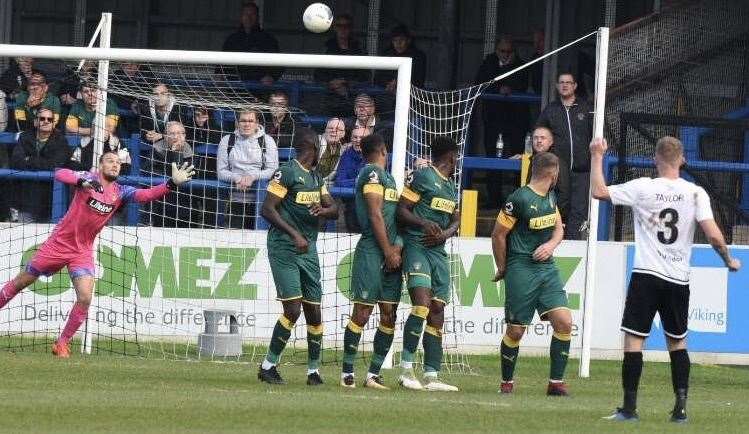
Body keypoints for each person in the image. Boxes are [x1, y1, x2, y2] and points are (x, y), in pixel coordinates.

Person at [589, 136, 742, 423]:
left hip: (646, 275)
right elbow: (713, 235)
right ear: (682, 160)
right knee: (677, 342)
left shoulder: (643, 187)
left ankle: (630, 409)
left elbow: (598, 191)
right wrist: (728, 260)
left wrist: (597, 155)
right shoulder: (695, 193)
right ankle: (680, 409)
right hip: (677, 278)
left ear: (654, 159)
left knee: (634, 340)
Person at [0, 152, 194, 357]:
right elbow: (60, 173)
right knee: (20, 283)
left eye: (118, 163)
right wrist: (81, 181)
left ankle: (62, 343)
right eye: (110, 161)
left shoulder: (121, 192)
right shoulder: (88, 179)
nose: (115, 165)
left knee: (85, 297)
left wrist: (171, 184)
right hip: (57, 245)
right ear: (100, 165)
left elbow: (145, 195)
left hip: (82, 251)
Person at [258, 128, 338, 385]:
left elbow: (334, 209)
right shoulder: (286, 172)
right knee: (292, 309)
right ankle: (268, 366)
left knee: (314, 311)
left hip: (309, 250)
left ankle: (313, 372)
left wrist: (323, 210)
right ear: (313, 148)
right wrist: (294, 235)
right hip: (285, 247)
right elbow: (267, 210)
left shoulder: (316, 178)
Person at [491, 152, 572, 397]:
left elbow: (559, 229)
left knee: (565, 322)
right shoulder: (519, 198)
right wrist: (503, 267)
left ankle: (555, 383)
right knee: (516, 330)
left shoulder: (551, 195)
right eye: (557, 172)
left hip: (546, 268)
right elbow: (498, 234)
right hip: (521, 267)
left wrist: (550, 246)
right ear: (552, 173)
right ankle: (506, 382)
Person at [397, 136, 461, 392]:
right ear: (452, 157)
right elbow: (401, 210)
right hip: (416, 247)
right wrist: (423, 224)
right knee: (422, 305)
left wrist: (444, 234)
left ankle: (432, 375)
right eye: (457, 158)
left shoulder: (450, 186)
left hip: (438, 252)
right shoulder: (422, 176)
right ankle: (405, 369)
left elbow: (456, 220)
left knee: (437, 310)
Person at [340, 134, 402, 389]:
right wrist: (388, 250)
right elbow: (375, 214)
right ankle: (347, 373)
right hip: (372, 250)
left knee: (389, 314)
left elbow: (394, 218)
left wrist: (397, 248)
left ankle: (374, 374)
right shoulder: (371, 174)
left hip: (392, 253)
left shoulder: (390, 179)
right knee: (362, 312)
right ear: (383, 149)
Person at [536, 72, 593, 240]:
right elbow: (540, 134)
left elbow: (595, 134)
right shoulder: (551, 110)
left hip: (583, 169)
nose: (565, 85)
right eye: (561, 82)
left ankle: (572, 244)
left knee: (579, 210)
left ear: (575, 86)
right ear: (556, 86)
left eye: (569, 82)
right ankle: (554, 240)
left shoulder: (586, 108)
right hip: (559, 170)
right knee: (559, 205)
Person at [474, 36, 530, 206]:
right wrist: (499, 88)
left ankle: (519, 199)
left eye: (508, 51)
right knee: (493, 157)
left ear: (514, 51)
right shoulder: (488, 62)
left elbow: (522, 83)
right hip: (493, 119)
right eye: (502, 51)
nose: (505, 55)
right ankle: (493, 199)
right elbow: (480, 82)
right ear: (496, 50)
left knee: (518, 158)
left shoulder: (521, 65)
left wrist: (510, 88)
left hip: (515, 120)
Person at [217, 108, 279, 229]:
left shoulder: (267, 141)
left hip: (262, 201)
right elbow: (221, 172)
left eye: (251, 121)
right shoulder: (227, 140)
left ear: (257, 123)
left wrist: (253, 177)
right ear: (237, 123)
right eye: (243, 121)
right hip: (234, 200)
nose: (247, 124)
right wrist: (238, 178)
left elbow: (273, 170)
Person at [9, 108, 72, 222]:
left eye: (49, 119)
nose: (46, 121)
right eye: (42, 118)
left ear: (53, 123)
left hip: (50, 198)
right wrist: (43, 162)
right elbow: (16, 161)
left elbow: (56, 164)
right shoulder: (25, 137)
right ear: (35, 122)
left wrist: (29, 160)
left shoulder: (61, 140)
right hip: (26, 196)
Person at [144, 121, 204, 227]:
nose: (177, 136)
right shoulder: (156, 151)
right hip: (161, 207)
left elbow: (190, 176)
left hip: (187, 208)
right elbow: (156, 175)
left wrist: (178, 153)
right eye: (172, 133)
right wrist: (174, 153)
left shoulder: (192, 152)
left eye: (181, 133)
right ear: (165, 136)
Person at [221, 1, 282, 84]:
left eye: (252, 14)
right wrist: (221, 76)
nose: (248, 18)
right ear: (241, 17)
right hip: (234, 88)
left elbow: (278, 65)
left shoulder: (268, 40)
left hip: (260, 89)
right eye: (245, 14)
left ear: (258, 17)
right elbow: (221, 66)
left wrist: (271, 77)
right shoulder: (231, 40)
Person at [314, 14, 369, 98]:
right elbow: (318, 74)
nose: (343, 29)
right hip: (329, 97)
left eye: (346, 26)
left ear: (351, 28)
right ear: (335, 28)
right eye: (339, 26)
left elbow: (366, 74)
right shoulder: (327, 47)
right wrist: (331, 82)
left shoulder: (359, 48)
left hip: (354, 96)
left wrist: (346, 82)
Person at [333, 126, 368, 232]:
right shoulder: (346, 155)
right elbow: (340, 182)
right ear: (351, 138)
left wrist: (358, 181)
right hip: (351, 199)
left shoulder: (374, 154)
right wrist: (359, 181)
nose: (358, 140)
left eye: (361, 137)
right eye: (355, 137)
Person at [374, 24, 427, 90]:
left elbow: (419, 80)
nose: (398, 43)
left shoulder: (418, 56)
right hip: (385, 92)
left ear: (408, 40)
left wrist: (398, 83)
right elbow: (377, 77)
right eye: (395, 40)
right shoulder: (386, 54)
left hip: (410, 94)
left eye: (402, 40)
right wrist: (388, 84)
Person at [317, 117, 347, 183]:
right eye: (330, 128)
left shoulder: (343, 149)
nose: (333, 130)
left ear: (343, 134)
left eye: (338, 129)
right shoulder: (316, 142)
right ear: (325, 130)